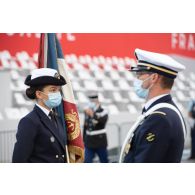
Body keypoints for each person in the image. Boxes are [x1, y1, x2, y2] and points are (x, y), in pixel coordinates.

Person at [119, 48, 186, 163]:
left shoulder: (159, 119)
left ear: (154, 77)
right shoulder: (162, 112)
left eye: (140, 74)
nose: (137, 79)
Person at [12, 68, 67, 163]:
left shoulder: (56, 118)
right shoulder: (29, 121)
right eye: (53, 90)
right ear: (39, 94)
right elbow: (19, 160)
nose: (58, 94)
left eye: (59, 90)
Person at [83, 93, 109, 163]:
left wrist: (92, 114)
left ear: (98, 101)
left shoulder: (103, 110)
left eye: (93, 101)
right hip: (89, 142)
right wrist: (83, 139)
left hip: (100, 141)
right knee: (87, 161)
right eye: (90, 101)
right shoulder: (87, 111)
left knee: (104, 161)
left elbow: (103, 121)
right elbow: (85, 126)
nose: (91, 103)